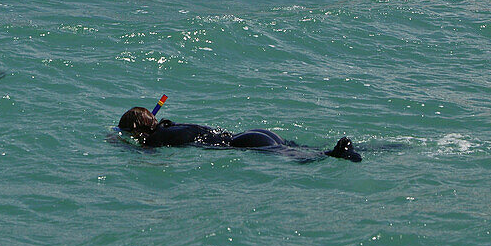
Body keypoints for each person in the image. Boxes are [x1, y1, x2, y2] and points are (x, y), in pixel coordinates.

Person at [117, 106, 361, 162]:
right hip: (252, 134)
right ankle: (341, 150)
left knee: (308, 158)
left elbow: (145, 155)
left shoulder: (156, 138)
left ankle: (337, 153)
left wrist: (116, 141)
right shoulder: (168, 126)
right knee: (304, 150)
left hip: (244, 142)